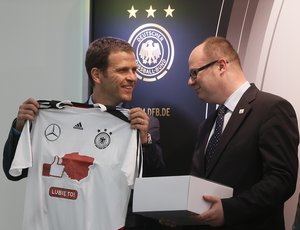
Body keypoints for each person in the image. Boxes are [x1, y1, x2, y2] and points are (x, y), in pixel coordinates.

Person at [2, 37, 165, 229]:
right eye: (122, 70)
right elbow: (14, 172)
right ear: (97, 75)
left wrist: (145, 140)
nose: (133, 77)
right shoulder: (54, 120)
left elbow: (154, 183)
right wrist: (20, 129)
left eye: (134, 70)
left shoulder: (141, 125)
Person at [163, 36, 299, 230]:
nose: (189, 82)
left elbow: (281, 180)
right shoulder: (207, 125)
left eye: (194, 73)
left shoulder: (271, 109)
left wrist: (229, 210)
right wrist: (181, 213)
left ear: (221, 66)